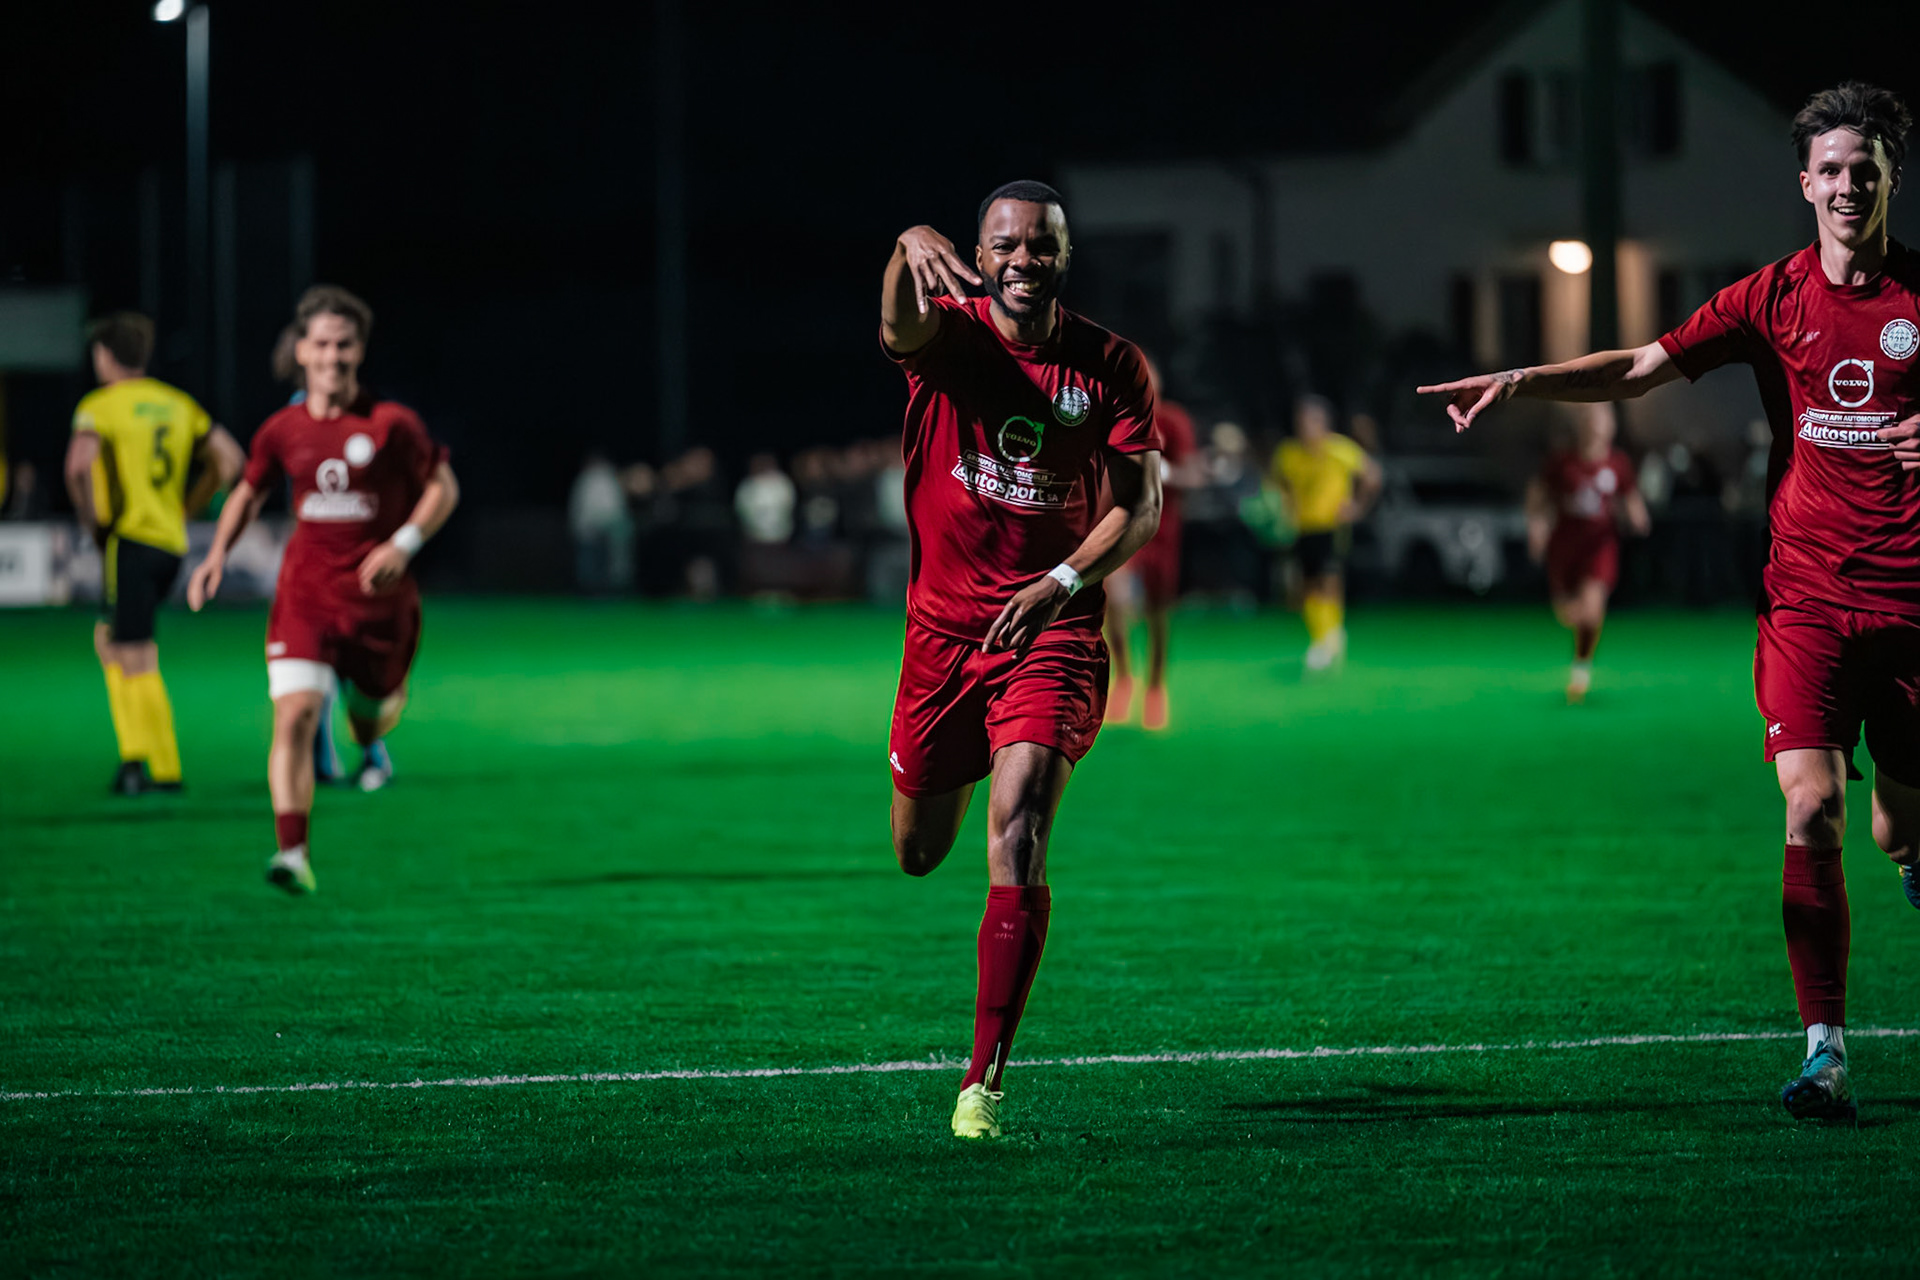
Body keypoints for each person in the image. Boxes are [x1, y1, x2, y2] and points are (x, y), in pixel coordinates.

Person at [1418, 82, 1920, 1122]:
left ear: (1889, 181)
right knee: (1812, 805)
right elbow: (1643, 367)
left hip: (1912, 602)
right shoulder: (1772, 299)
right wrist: (1526, 379)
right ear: (1804, 184)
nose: (1844, 185)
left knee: (1896, 829)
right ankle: (1825, 1049)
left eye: (1862, 168)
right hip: (1807, 600)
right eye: (1827, 169)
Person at [881, 180, 1162, 1139]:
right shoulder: (948, 339)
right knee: (920, 855)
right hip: (941, 639)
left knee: (1022, 825)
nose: (1022, 260)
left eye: (1041, 246)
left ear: (1063, 256)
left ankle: (981, 1084)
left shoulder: (1111, 366)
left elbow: (1142, 505)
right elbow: (897, 320)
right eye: (1004, 244)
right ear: (976, 252)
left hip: (1051, 633)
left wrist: (1066, 582)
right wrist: (905, 241)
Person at [188, 286, 459, 894]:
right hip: (306, 594)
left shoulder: (392, 423)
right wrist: (213, 557)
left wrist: (403, 544)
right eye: (322, 344)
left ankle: (373, 722)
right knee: (296, 716)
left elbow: (443, 486)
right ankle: (293, 853)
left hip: (379, 601)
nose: (333, 356)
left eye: (344, 345)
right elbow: (250, 491)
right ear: (302, 351)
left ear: (359, 351)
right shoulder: (282, 429)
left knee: (368, 722)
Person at [62, 312, 243, 795]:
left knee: (132, 652)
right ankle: (144, 761)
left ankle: (152, 767)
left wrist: (94, 522)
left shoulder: (100, 406)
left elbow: (78, 466)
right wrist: (189, 506)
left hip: (130, 539)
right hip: (170, 542)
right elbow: (231, 461)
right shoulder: (177, 404)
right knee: (117, 643)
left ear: (104, 355)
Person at [1525, 403, 1650, 702]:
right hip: (1566, 546)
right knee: (1569, 614)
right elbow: (1539, 495)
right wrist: (1536, 528)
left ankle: (1580, 672)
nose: (1598, 424)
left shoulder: (1617, 463)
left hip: (1600, 546)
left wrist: (1637, 515)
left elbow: (1630, 496)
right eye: (1592, 418)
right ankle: (1580, 653)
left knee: (1592, 610)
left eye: (1603, 418)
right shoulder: (1562, 463)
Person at [1103, 359, 1202, 728]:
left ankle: (1156, 687)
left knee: (1160, 611)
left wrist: (1166, 471)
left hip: (1161, 527)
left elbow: (1193, 473)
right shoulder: (1112, 417)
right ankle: (1125, 678)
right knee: (1114, 596)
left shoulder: (1172, 420)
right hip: (1120, 522)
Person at [1270, 395, 1381, 671]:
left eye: (1311, 421)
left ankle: (1327, 640)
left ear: (1323, 423)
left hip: (1330, 526)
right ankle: (1325, 636)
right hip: (1302, 526)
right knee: (1306, 587)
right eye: (1301, 422)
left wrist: (1356, 507)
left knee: (1328, 581)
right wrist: (1284, 505)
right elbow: (1278, 482)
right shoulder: (1289, 453)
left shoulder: (1339, 449)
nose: (1306, 427)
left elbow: (1373, 475)